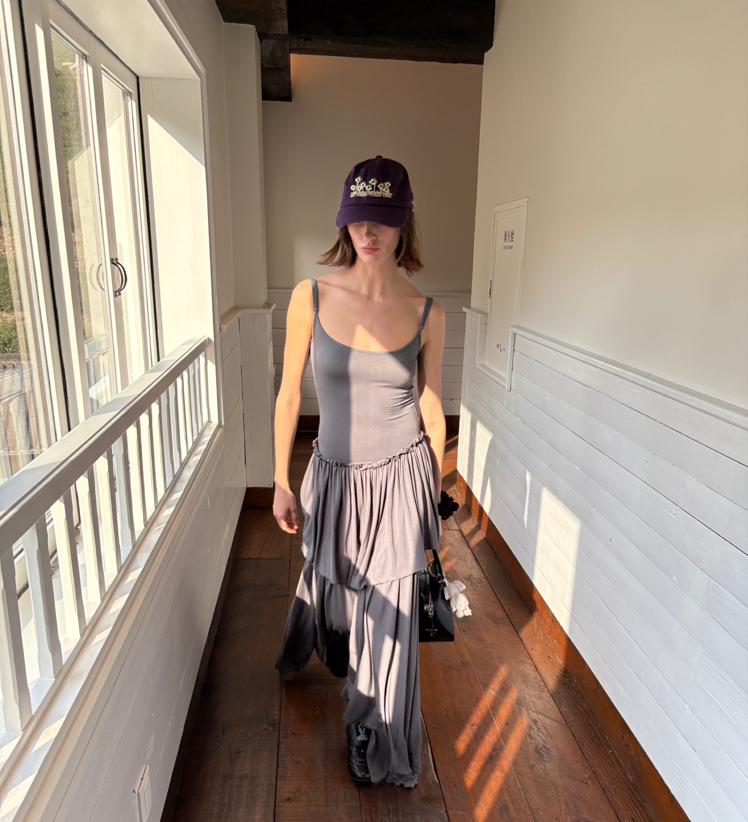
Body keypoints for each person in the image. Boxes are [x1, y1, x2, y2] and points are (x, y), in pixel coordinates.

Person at [272, 155, 446, 789]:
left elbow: (430, 403)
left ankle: (374, 733)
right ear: (343, 221)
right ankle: (326, 645)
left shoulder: (428, 312)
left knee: (391, 618)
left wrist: (434, 492)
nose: (368, 232)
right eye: (357, 218)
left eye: (383, 219)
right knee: (341, 595)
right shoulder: (310, 297)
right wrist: (280, 480)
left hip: (401, 480)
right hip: (334, 478)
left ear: (405, 223)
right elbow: (288, 394)